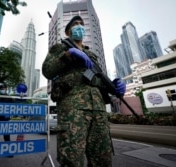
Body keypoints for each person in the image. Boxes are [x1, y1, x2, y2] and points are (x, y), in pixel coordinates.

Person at [42, 15, 126, 167]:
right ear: (68, 32)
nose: (79, 26)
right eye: (75, 24)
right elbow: (47, 70)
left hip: (98, 110)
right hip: (73, 109)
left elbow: (99, 79)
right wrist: (68, 54)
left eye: (82, 24)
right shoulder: (60, 48)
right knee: (72, 159)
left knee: (103, 158)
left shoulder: (92, 55)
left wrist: (115, 87)